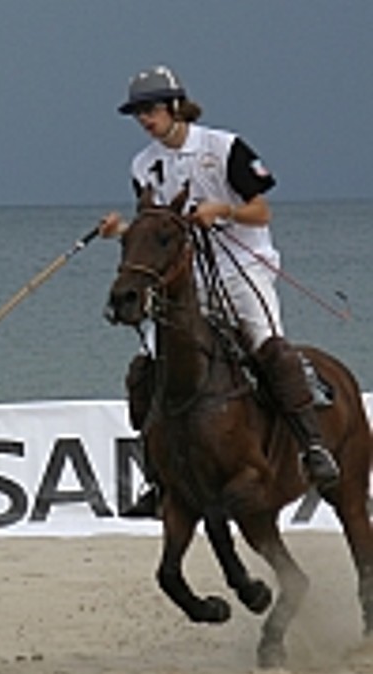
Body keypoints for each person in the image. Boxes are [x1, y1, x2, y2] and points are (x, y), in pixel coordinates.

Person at [98, 64, 339, 515]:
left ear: (174, 106)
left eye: (150, 110)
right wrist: (122, 230)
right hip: (188, 279)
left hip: (244, 266)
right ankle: (159, 478)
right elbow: (161, 228)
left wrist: (222, 209)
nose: (145, 120)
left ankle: (313, 448)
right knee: (149, 366)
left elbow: (261, 211)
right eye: (138, 113)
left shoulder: (223, 146)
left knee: (270, 349)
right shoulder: (142, 165)